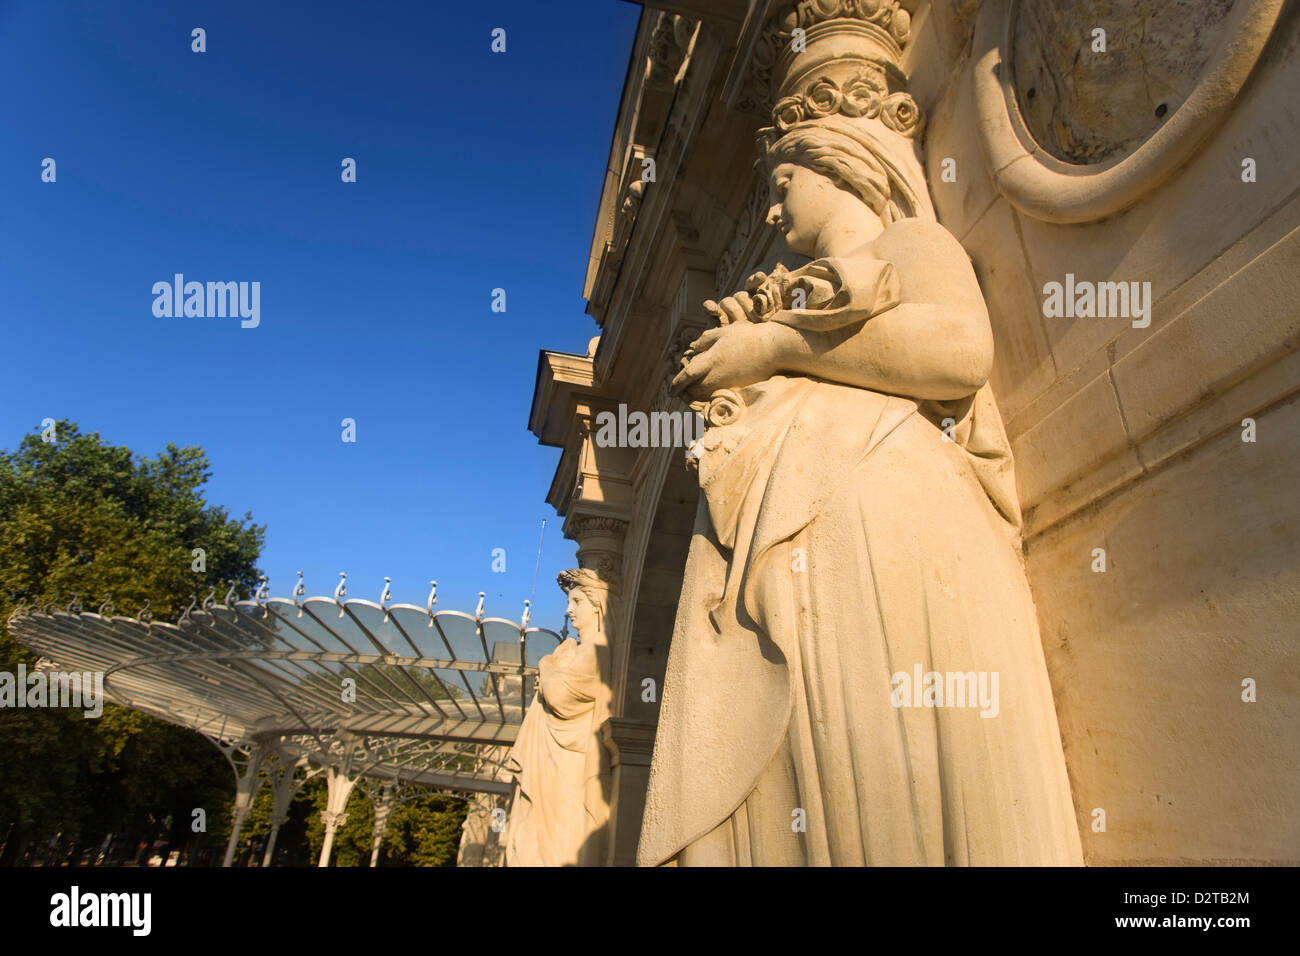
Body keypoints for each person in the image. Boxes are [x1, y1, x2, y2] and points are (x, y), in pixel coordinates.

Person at [636, 110, 1083, 866]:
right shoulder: (791, 292)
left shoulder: (910, 244)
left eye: (784, 184)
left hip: (886, 510)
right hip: (808, 540)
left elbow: (959, 351)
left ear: (842, 167)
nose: (772, 212)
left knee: (888, 754)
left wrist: (774, 344)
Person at [504, 568, 617, 866]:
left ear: (598, 606)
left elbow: (560, 696)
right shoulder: (576, 650)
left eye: (576, 601)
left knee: (556, 836)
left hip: (572, 763)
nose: (569, 610)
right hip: (557, 759)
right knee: (544, 832)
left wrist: (546, 663)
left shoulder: (596, 650)